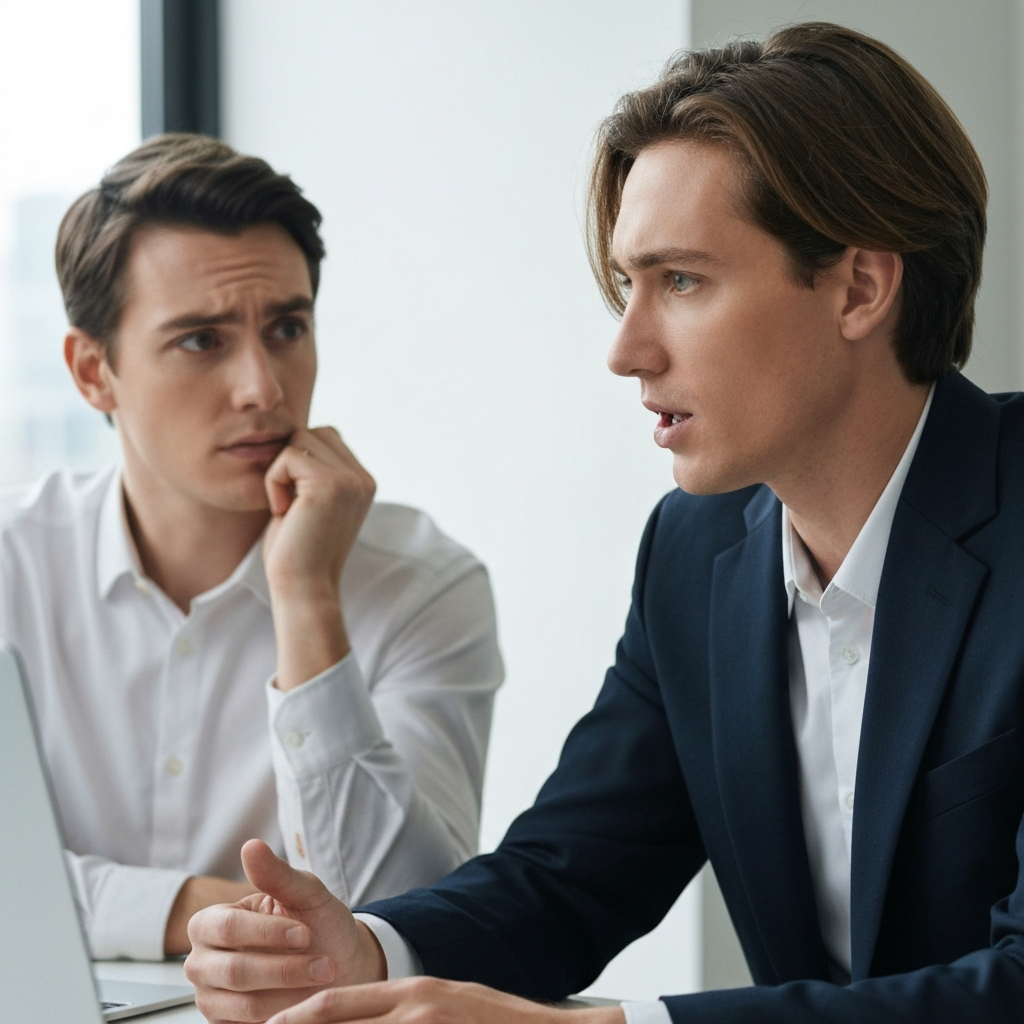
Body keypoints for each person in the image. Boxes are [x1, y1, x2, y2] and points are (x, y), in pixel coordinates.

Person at [184, 22, 1024, 1024]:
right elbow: (572, 873)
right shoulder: (697, 549)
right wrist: (366, 947)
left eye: (681, 280)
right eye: (629, 284)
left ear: (858, 287)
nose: (626, 350)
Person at [0, 135, 503, 961]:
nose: (263, 389)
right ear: (93, 371)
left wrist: (307, 598)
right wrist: (194, 909)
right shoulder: (14, 564)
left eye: (286, 328)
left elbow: (401, 920)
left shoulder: (422, 583)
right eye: (201, 340)